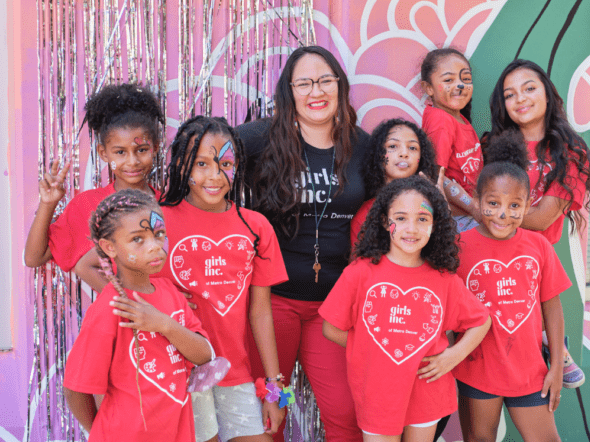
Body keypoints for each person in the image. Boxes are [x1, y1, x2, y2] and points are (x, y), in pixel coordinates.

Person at [237, 46, 371, 441]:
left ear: (340, 86)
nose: (317, 90)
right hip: (272, 305)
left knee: (346, 415)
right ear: (289, 91)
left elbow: (389, 210)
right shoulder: (259, 139)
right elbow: (205, 156)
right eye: (305, 82)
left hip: (331, 309)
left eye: (326, 79)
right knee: (270, 413)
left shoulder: (361, 146)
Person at [319, 176, 491, 441]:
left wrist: (453, 356)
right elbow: (331, 328)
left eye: (422, 219)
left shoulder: (443, 279)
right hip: (377, 393)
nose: (411, 228)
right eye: (400, 218)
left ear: (435, 226)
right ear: (384, 222)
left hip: (427, 391)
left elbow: (481, 321)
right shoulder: (360, 273)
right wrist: (370, 346)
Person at [158, 116, 288, 442]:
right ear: (181, 165)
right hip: (181, 373)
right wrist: (167, 296)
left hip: (235, 373)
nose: (215, 176)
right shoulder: (156, 220)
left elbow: (260, 312)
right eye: (201, 163)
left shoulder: (255, 227)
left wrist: (276, 388)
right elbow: (131, 281)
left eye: (225, 163)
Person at [63, 189, 213, 441]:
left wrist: (164, 324)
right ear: (109, 247)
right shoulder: (111, 308)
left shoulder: (170, 293)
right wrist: (101, 431)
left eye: (159, 235)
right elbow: (75, 389)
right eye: (138, 239)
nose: (154, 246)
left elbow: (205, 355)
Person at [485, 59, 590, 388]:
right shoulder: (495, 147)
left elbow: (540, 218)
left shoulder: (570, 151)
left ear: (548, 94)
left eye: (529, 88)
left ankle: (553, 341)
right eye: (510, 94)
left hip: (532, 264)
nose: (519, 98)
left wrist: (482, 210)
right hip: (489, 261)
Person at [453, 131, 569, 442]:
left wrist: (556, 366)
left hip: (531, 373)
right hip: (477, 371)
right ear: (477, 201)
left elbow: (553, 308)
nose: (504, 214)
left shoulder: (538, 246)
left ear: (528, 204)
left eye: (515, 205)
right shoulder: (457, 247)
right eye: (493, 203)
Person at [24, 83, 164, 293]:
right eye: (120, 152)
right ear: (103, 153)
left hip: (169, 322)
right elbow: (34, 258)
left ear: (155, 147)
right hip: (117, 322)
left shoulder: (170, 205)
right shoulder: (88, 205)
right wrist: (48, 204)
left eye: (141, 150)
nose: (132, 161)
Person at [350, 118, 439, 252]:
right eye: (392, 146)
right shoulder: (366, 214)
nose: (404, 153)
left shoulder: (430, 208)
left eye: (412, 147)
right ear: (378, 155)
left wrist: (440, 205)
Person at [420, 48, 483, 232]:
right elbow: (437, 176)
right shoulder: (441, 121)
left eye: (466, 79)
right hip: (458, 218)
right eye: (448, 80)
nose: (460, 85)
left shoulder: (458, 117)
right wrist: (473, 207)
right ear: (428, 88)